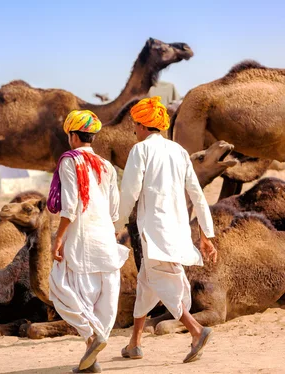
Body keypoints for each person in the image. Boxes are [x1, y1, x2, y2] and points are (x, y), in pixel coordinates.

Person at [114, 96, 218, 364]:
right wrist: (206, 234)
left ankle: (196, 330)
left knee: (160, 280)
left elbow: (129, 193)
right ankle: (134, 343)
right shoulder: (179, 151)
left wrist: (116, 225)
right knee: (146, 283)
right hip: (177, 229)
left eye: (135, 124)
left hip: (153, 230)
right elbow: (197, 194)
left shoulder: (140, 151)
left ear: (141, 124)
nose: (134, 129)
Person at [48, 110, 129, 373]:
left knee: (59, 287)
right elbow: (114, 208)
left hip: (80, 237)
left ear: (72, 136)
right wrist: (112, 230)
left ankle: (93, 335)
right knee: (103, 296)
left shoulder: (69, 161)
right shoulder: (105, 165)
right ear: (92, 136)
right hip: (105, 234)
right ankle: (91, 360)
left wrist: (58, 238)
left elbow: (70, 206)